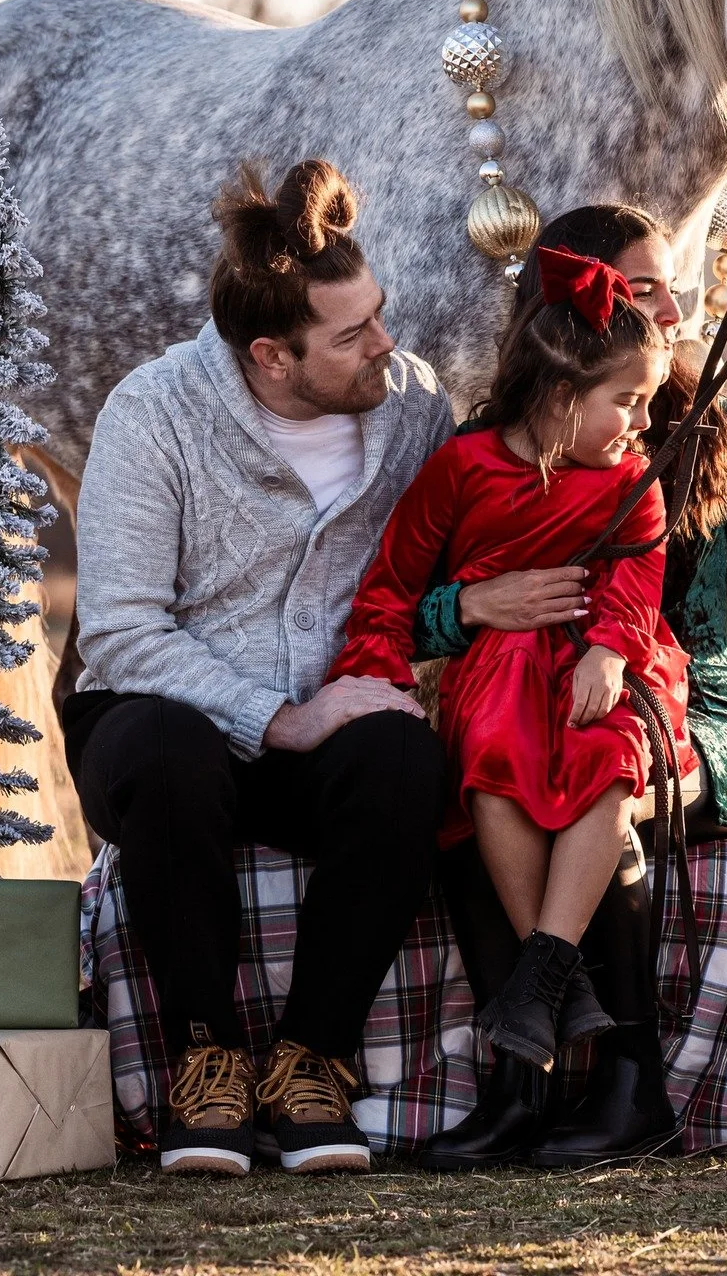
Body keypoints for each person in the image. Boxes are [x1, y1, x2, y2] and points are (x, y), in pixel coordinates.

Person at [414, 203, 727, 1168]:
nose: (675, 306)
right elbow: (412, 606)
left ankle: (633, 1082)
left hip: (693, 713)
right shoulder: (491, 442)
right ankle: (519, 1087)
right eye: (644, 289)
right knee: (477, 780)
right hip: (536, 696)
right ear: (574, 319)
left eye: (672, 283)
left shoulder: (716, 422)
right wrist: (474, 605)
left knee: (594, 774)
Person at [64, 159, 452, 1177]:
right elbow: (119, 630)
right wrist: (282, 714)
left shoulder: (413, 409)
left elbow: (449, 561)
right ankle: (204, 1060)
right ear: (273, 356)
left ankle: (309, 1056)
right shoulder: (153, 412)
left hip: (324, 732)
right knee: (167, 740)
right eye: (353, 333)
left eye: (380, 314)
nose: (386, 343)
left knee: (406, 759)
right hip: (158, 730)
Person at [329, 245, 696, 1086]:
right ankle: (553, 987)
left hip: (604, 663)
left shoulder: (631, 480)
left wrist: (607, 649)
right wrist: (382, 684)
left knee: (610, 757)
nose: (643, 424)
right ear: (562, 397)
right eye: (628, 402)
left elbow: (639, 580)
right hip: (496, 676)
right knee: (492, 752)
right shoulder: (462, 469)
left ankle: (540, 975)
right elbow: (388, 593)